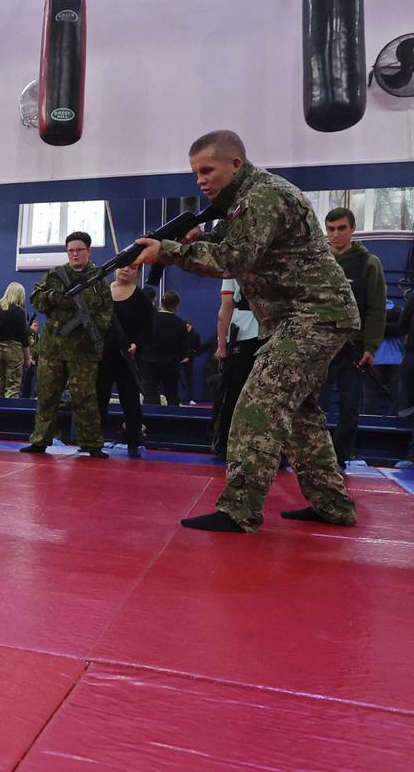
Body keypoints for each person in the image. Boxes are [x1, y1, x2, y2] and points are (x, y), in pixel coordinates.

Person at [133, 129, 359, 532]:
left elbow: (234, 259)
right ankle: (332, 504)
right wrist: (201, 236)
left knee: (257, 406)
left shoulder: (261, 196)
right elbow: (246, 243)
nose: (200, 180)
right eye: (195, 173)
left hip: (311, 315)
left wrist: (169, 251)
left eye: (207, 169)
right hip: (305, 316)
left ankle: (240, 509)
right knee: (300, 416)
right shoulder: (248, 200)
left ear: (235, 164)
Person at [21, 231, 113, 458]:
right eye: (71, 250)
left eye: (79, 250)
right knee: (47, 395)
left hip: (84, 350)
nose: (74, 254)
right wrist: (56, 297)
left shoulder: (98, 278)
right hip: (53, 347)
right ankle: (40, 440)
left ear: (88, 251)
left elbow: (106, 313)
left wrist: (90, 328)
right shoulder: (55, 275)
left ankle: (92, 444)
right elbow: (37, 300)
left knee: (85, 398)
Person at [318, 207, 385, 469]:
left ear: (353, 229)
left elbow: (377, 308)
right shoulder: (319, 261)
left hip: (354, 347)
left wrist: (371, 346)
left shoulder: (369, 263)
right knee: (313, 406)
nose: (336, 234)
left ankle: (340, 458)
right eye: (331, 229)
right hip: (320, 345)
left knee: (348, 407)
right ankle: (316, 458)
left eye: (341, 228)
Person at [97, 263, 154, 457]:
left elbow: (148, 328)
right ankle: (93, 440)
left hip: (128, 358)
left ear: (137, 272)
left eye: (132, 267)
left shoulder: (141, 298)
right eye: (122, 266)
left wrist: (136, 344)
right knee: (99, 398)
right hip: (103, 355)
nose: (126, 270)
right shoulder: (103, 292)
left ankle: (133, 441)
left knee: (130, 401)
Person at [211, 278, 263, 461]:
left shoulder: (233, 267)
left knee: (234, 393)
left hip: (250, 332)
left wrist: (222, 344)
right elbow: (226, 306)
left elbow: (225, 307)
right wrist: (222, 343)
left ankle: (225, 444)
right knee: (240, 393)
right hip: (258, 332)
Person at [141, 290, 187, 405]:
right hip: (170, 363)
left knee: (150, 392)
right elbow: (183, 347)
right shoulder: (180, 324)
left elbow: (143, 339)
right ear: (176, 306)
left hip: (150, 361)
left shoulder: (150, 319)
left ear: (161, 302)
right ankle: (173, 420)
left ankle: (149, 419)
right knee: (171, 394)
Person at [0, 282, 31, 398]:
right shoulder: (19, 312)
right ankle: (10, 414)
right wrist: (27, 357)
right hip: (14, 350)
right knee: (13, 386)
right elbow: (23, 337)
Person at [22, 318, 40, 398]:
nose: (36, 327)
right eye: (34, 325)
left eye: (37, 326)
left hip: (34, 363)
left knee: (30, 384)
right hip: (25, 361)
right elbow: (26, 347)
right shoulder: (27, 334)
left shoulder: (37, 336)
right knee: (24, 384)